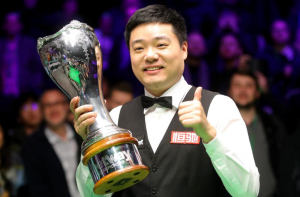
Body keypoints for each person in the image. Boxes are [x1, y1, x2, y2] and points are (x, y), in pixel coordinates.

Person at [70, 4, 259, 197]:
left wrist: (209, 134)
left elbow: (248, 192)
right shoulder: (116, 118)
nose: (150, 56)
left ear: (184, 49)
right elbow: (93, 195)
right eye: (139, 48)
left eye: (161, 45)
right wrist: (91, 144)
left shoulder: (219, 108)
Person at [227, 70, 287, 197]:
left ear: (257, 93)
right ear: (229, 91)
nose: (243, 90)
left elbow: (291, 119)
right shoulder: (217, 125)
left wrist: (268, 92)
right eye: (237, 85)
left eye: (249, 85)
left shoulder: (272, 124)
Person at [22, 88, 83, 197]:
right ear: (41, 110)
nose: (53, 109)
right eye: (47, 105)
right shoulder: (32, 145)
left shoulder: (82, 133)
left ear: (66, 106)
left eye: (57, 103)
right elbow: (37, 188)